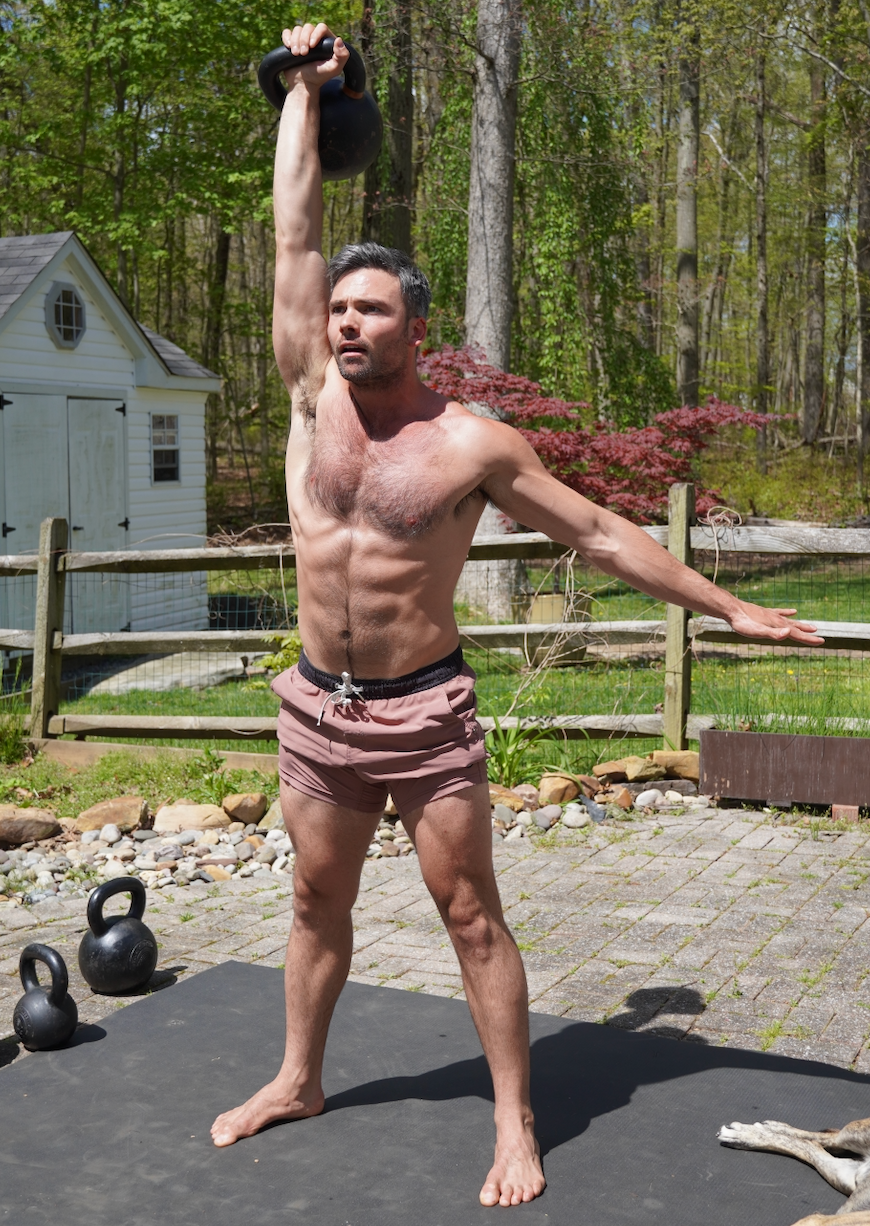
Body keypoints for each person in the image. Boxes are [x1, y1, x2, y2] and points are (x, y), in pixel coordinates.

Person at [210, 22, 822, 1207]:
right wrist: (301, 92)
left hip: (423, 713)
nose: (347, 322)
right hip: (317, 709)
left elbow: (598, 531)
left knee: (470, 914)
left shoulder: (473, 444)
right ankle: (298, 1076)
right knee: (313, 900)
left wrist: (729, 604)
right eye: (339, 309)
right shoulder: (307, 395)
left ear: (416, 326)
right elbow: (293, 230)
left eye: (372, 309)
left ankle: (515, 1117)